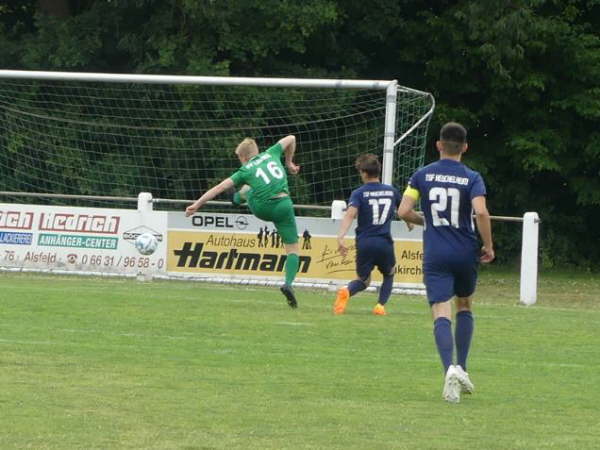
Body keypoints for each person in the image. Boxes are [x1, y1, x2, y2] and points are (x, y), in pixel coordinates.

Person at [397, 122, 494, 403]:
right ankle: (461, 367)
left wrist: (424, 221)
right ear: (465, 147)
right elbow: (481, 212)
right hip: (465, 251)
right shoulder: (472, 177)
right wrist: (488, 245)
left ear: (439, 145)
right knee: (464, 304)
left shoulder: (422, 175)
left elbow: (403, 210)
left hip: (436, 252)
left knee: (441, 310)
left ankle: (448, 370)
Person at [185, 135, 301, 308]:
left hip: (263, 207)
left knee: (248, 188)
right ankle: (288, 283)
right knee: (293, 249)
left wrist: (196, 205)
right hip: (284, 204)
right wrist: (289, 162)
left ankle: (237, 198)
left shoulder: (245, 170)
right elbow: (291, 137)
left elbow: (218, 188)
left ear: (244, 158)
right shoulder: (272, 152)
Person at [333, 153, 401, 316]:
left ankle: (347, 291)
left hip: (364, 242)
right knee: (389, 273)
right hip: (384, 242)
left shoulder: (359, 193)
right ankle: (380, 306)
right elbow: (404, 210)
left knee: (363, 280)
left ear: (364, 172)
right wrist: (410, 222)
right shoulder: (391, 191)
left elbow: (349, 214)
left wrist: (341, 236)